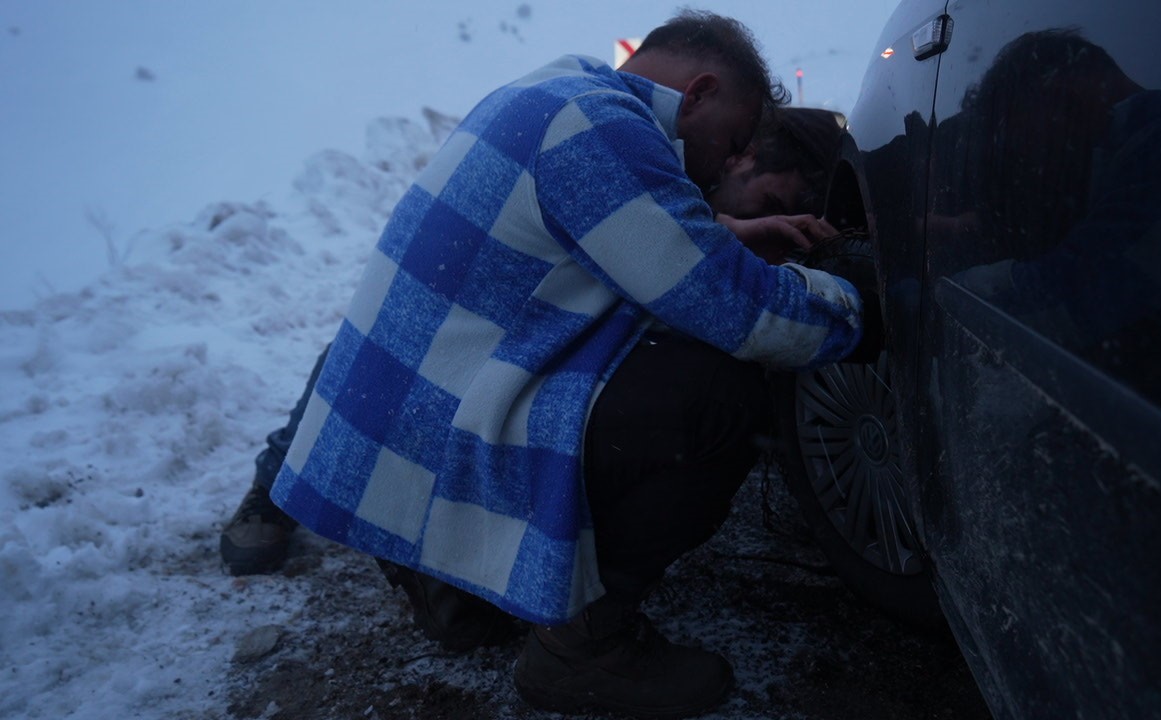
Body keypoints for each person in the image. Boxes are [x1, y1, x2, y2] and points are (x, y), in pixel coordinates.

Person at [242, 11, 862, 716]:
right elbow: (728, 307)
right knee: (716, 388)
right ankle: (582, 647)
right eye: (735, 138)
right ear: (699, 93)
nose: (727, 162)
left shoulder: (554, 94)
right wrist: (858, 302)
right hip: (440, 437)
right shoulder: (602, 129)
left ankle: (450, 578)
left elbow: (615, 226)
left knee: (641, 352)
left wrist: (729, 231)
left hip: (399, 436)